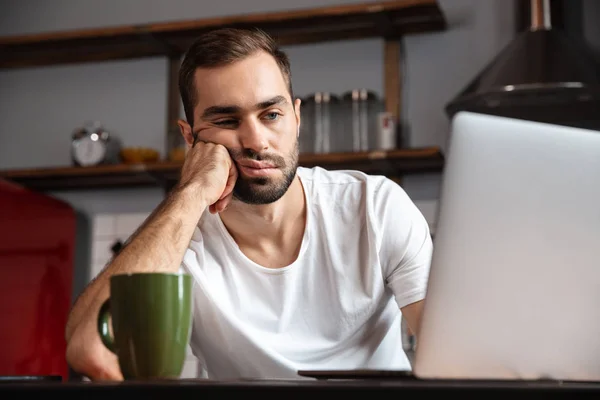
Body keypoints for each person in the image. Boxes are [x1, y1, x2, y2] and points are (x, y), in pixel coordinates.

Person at [64, 27, 433, 381]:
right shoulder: (177, 241)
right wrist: (191, 191)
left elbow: (454, 355)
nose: (256, 140)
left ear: (297, 118)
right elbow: (90, 348)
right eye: (227, 119)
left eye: (271, 115)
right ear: (190, 138)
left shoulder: (375, 207)